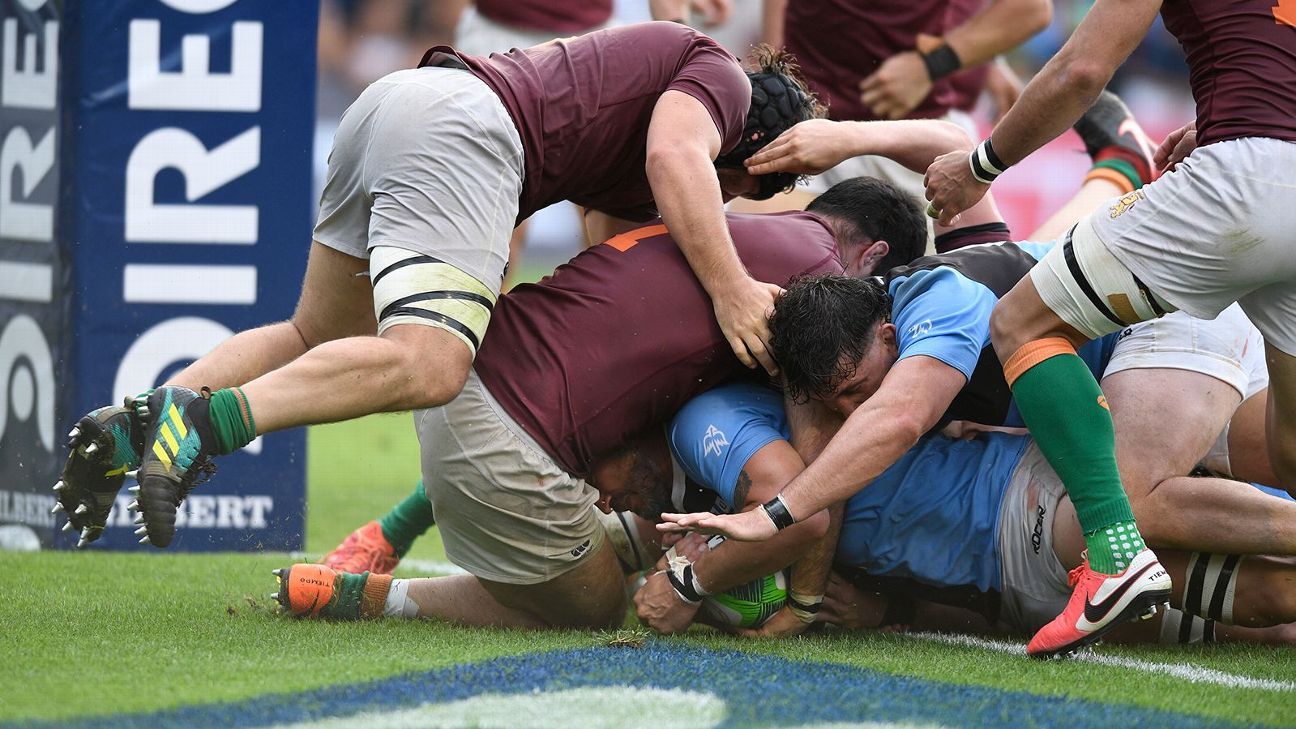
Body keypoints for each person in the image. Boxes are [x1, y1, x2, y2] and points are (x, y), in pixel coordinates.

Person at [51, 27, 822, 549]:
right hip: (466, 130)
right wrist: (732, 289)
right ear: (753, 151)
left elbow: (618, 265)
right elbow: (676, 158)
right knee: (429, 363)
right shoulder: (719, 77)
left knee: (315, 336)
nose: (722, 204)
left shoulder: (654, 118)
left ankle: (131, 427)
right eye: (735, 188)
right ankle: (206, 420)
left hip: (394, 109)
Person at [271, 162, 934, 629]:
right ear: (871, 259)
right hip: (505, 430)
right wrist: (779, 596)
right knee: (590, 606)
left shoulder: (735, 230)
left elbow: (602, 225)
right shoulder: (812, 280)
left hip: (478, 372)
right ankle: (382, 595)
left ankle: (382, 550)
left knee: (649, 493)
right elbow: (810, 497)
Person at [921, 0, 1296, 656]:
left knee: (1021, 321)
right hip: (1269, 170)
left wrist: (979, 165)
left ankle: (1117, 555)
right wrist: (1216, 123)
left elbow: (1081, 70)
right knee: (1290, 448)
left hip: (1241, 181)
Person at [664, 379, 1296, 647]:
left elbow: (797, 510)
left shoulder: (707, 424)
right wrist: (888, 612)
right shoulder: (684, 503)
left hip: (1017, 503)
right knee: (1270, 613)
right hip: (1015, 594)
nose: (606, 500)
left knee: (1135, 519)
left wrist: (691, 584)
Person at [735, 0, 1048, 220]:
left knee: (914, 295)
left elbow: (1031, 9)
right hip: (804, 118)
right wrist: (775, 69)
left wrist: (931, 65)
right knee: (769, 265)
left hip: (904, 139)